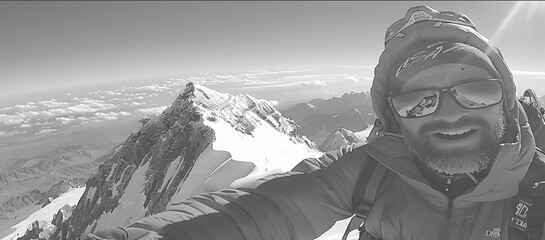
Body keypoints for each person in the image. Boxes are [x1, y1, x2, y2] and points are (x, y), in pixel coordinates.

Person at [92, 5, 543, 240]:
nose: (448, 113)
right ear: (392, 119)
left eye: (476, 90)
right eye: (419, 101)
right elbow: (259, 212)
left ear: (507, 98)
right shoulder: (371, 171)